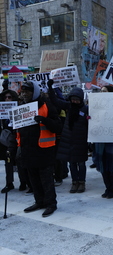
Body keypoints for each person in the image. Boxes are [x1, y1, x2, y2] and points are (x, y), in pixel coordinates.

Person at [18, 81, 61, 217]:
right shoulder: (22, 107)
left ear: (34, 92)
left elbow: (58, 126)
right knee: (33, 179)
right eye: (22, 92)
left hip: (44, 150)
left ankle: (50, 204)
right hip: (28, 150)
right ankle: (39, 201)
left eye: (27, 91)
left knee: (46, 179)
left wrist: (44, 120)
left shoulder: (46, 105)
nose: (24, 94)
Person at [48, 80, 89, 193]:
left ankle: (82, 182)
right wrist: (50, 88)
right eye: (73, 99)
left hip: (81, 141)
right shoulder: (68, 106)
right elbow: (55, 100)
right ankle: (74, 182)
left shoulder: (86, 109)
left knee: (81, 163)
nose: (74, 101)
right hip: (69, 140)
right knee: (72, 163)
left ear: (81, 99)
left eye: (77, 99)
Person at [94, 85, 113, 198]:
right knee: (103, 165)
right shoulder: (96, 106)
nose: (102, 93)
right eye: (101, 91)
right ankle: (107, 187)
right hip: (100, 140)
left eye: (104, 91)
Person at [0, 90, 23, 193]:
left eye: (9, 97)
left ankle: (23, 182)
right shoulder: (1, 110)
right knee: (8, 161)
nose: (7, 99)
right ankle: (9, 183)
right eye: (6, 97)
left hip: (18, 137)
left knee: (20, 160)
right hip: (6, 139)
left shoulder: (19, 108)